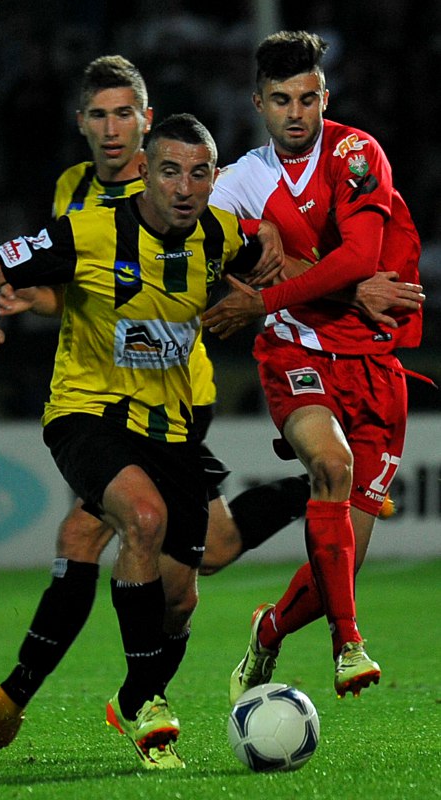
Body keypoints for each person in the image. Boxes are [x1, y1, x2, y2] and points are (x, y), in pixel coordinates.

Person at [0, 112, 287, 770]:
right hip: (86, 415)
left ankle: (31, 703)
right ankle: (145, 703)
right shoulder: (87, 230)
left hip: (172, 428)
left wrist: (308, 286)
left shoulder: (219, 232)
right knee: (139, 518)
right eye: (169, 171)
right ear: (144, 171)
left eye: (198, 174)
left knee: (179, 599)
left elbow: (277, 254)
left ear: (214, 179)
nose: (183, 187)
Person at [202, 30, 424, 701]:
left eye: (306, 98)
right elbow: (191, 231)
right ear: (258, 104)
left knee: (340, 570)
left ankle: (268, 630)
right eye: (280, 100)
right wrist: (249, 237)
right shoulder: (242, 180)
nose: (295, 113)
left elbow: (359, 258)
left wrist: (266, 293)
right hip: (295, 353)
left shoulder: (356, 153)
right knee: (330, 464)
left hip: (374, 364)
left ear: (324, 96)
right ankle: (348, 646)